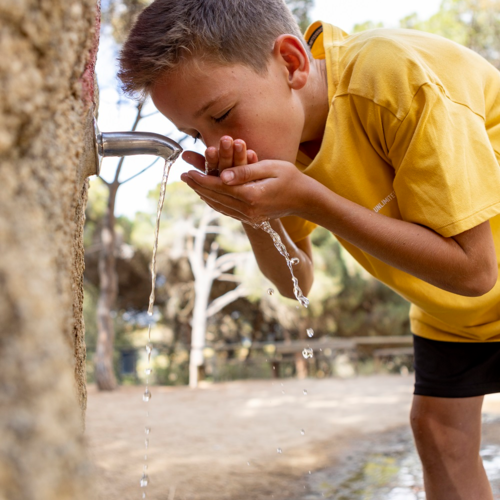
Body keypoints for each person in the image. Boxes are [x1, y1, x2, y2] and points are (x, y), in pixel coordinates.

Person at [118, 0, 500, 497]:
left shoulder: (389, 76)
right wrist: (251, 214)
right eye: (195, 133)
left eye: (222, 114)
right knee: (440, 434)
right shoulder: (283, 141)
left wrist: (312, 200)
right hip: (453, 313)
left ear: (292, 63)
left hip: (474, 276)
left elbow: (474, 270)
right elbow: (295, 279)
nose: (216, 146)